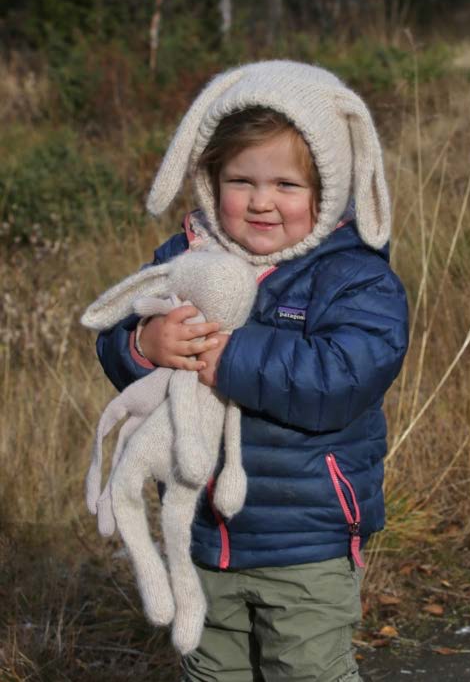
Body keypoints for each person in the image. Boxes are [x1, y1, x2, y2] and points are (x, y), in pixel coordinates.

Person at [96, 60, 409, 682]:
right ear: (211, 179)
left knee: (308, 669)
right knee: (213, 670)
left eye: (286, 185)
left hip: (307, 537)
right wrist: (144, 344)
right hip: (201, 531)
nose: (261, 201)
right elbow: (118, 336)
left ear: (328, 190)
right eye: (241, 180)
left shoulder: (354, 277)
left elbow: (339, 379)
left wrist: (228, 357)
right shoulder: (187, 256)